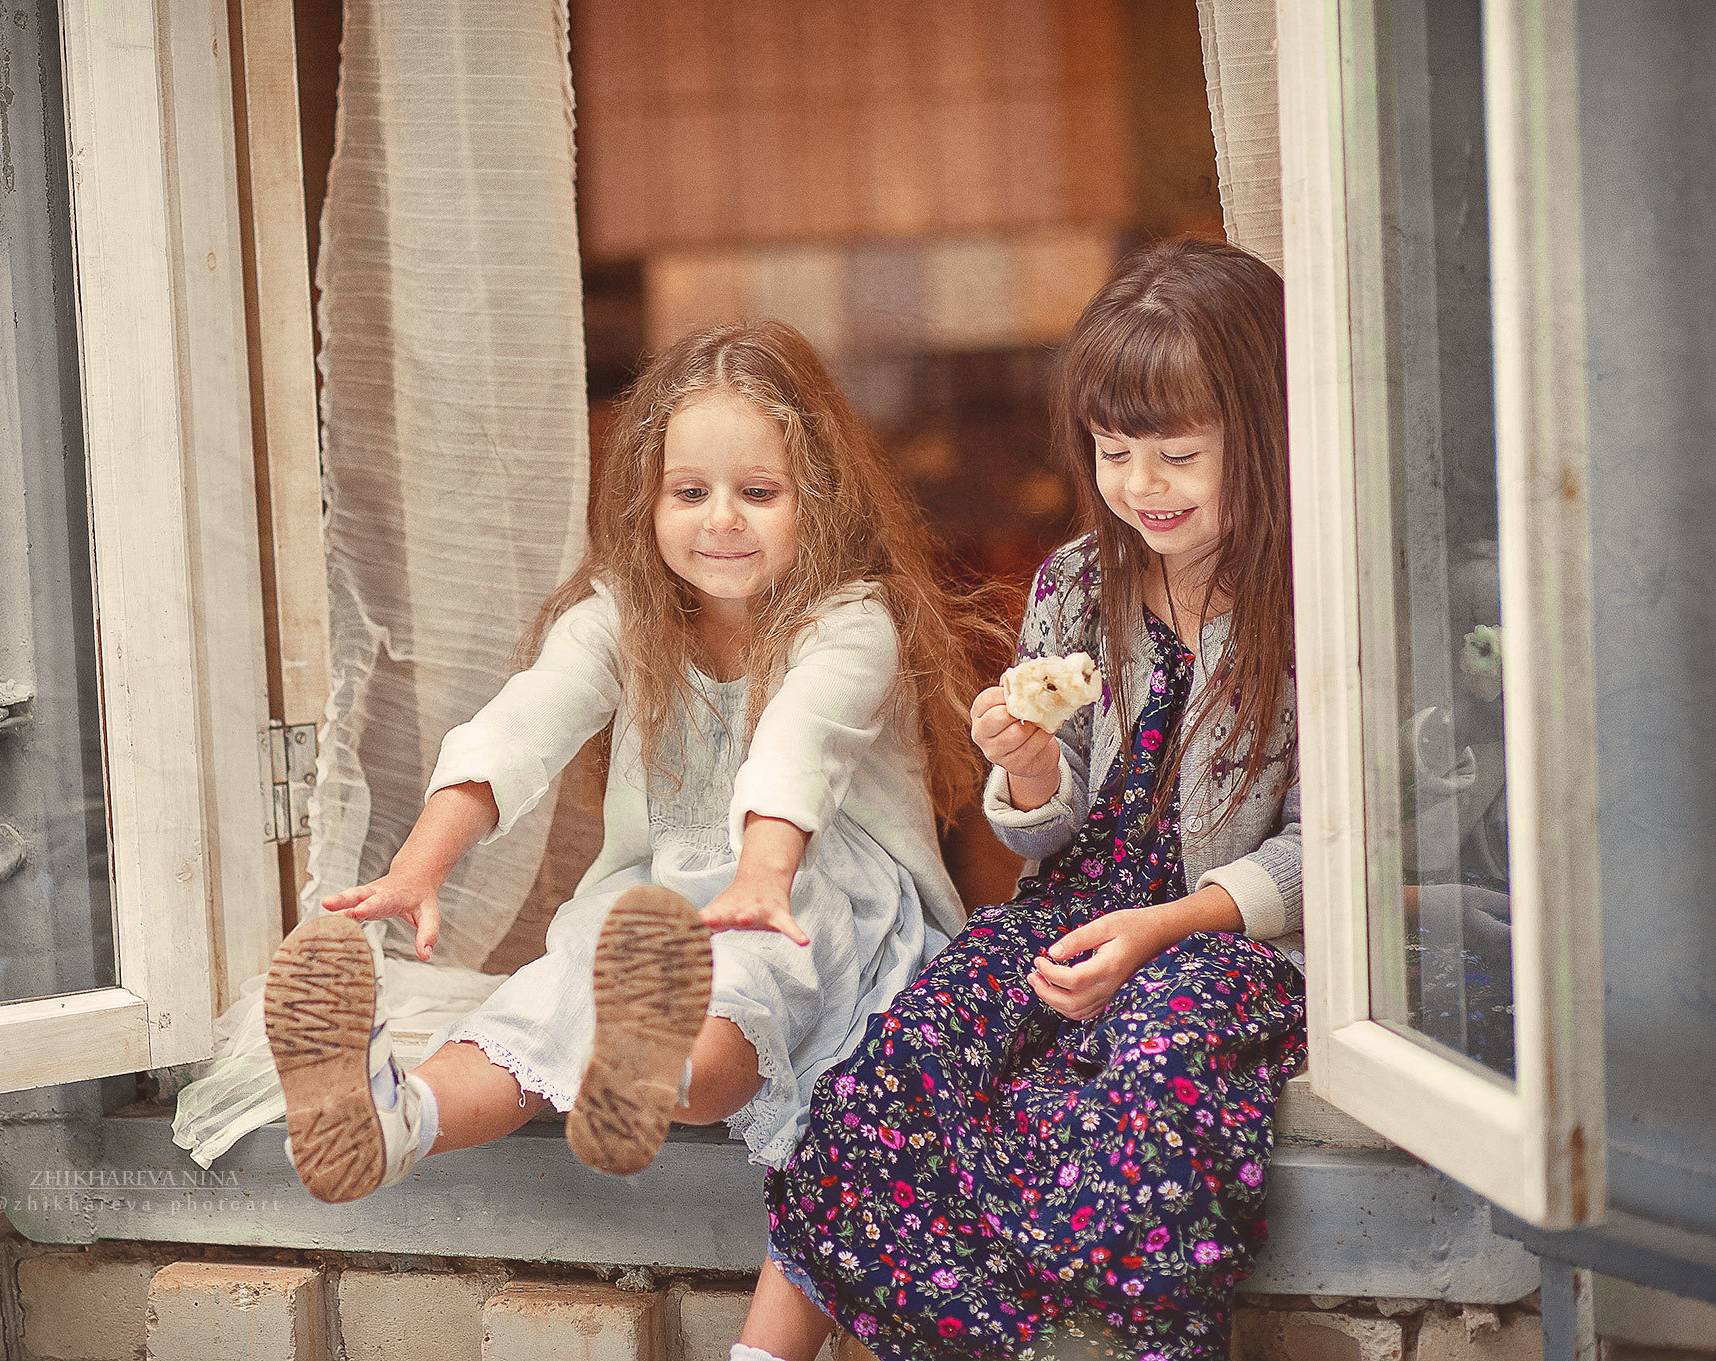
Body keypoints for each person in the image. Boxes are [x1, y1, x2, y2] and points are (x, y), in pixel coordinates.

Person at [263, 319, 1009, 1204]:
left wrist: (762, 877)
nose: (721, 518)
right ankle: (397, 1120)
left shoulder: (851, 624)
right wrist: (417, 867)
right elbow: (522, 724)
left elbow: (798, 744)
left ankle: (658, 1073)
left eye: (758, 491)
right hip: (658, 907)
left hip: (816, 895)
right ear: (646, 502)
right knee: (544, 1001)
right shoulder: (622, 618)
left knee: (745, 976)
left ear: (823, 498)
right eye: (690, 491)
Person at [738, 238, 1307, 1361]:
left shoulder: (1314, 601)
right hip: (1069, 917)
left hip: (1226, 939)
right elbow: (1046, 826)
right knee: (901, 1061)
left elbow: (1338, 843)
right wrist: (1031, 768)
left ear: (1267, 431)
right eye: (1114, 451)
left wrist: (1166, 926)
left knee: (1151, 1078)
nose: (1142, 487)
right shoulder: (1080, 583)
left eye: (1179, 455)